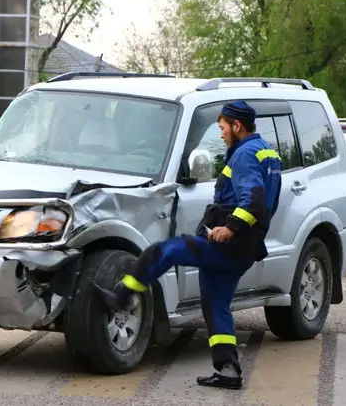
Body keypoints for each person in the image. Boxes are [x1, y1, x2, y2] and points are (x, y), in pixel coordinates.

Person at [92, 100, 283, 390]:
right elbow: (267, 204)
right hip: (246, 247)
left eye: (222, 128)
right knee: (216, 305)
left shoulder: (245, 154)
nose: (220, 134)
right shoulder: (268, 154)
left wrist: (229, 229)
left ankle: (121, 296)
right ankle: (228, 370)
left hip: (228, 245)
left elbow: (253, 202)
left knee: (163, 251)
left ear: (236, 125)